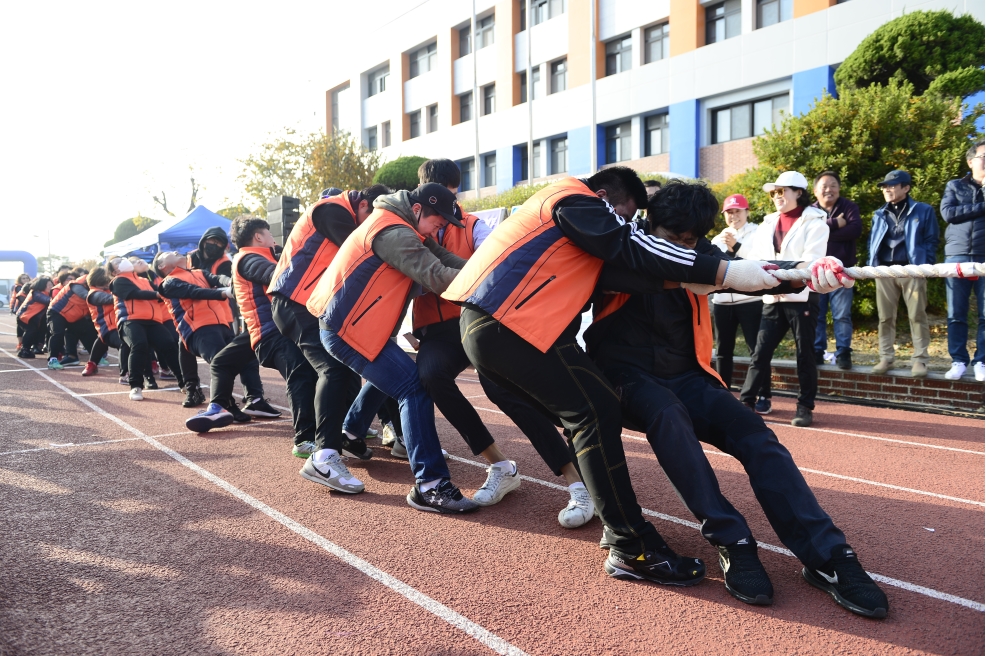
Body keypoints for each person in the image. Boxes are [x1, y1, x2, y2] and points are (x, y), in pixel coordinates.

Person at [443, 166, 781, 584]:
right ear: (604, 197)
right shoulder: (573, 200)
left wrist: (766, 274)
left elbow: (629, 272)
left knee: (590, 413)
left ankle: (620, 530)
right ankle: (630, 545)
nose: (627, 223)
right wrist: (723, 272)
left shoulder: (562, 222)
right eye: (625, 213)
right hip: (511, 325)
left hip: (496, 327)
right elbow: (629, 245)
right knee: (596, 410)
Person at [584, 179, 888, 618]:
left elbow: (749, 272)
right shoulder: (623, 247)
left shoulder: (702, 253)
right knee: (668, 417)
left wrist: (808, 273)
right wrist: (696, 272)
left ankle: (830, 558)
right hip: (626, 376)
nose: (685, 249)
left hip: (689, 376)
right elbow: (652, 272)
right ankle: (733, 540)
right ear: (652, 224)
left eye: (692, 241)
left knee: (756, 435)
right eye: (675, 240)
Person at [372, 158, 589, 523]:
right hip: (436, 330)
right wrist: (411, 325)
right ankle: (501, 466)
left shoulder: (474, 226)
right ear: (419, 203)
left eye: (452, 198)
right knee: (429, 377)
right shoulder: (405, 231)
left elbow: (495, 269)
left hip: (476, 320)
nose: (446, 215)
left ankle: (578, 483)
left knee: (503, 392)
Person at [306, 183, 479, 513]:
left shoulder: (401, 225)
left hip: (356, 326)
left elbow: (446, 258)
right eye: (438, 222)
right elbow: (438, 276)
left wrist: (487, 269)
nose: (440, 229)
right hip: (347, 328)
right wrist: (490, 282)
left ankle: (351, 431)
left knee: (392, 376)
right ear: (417, 210)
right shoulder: (392, 232)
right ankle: (429, 485)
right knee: (413, 386)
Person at [267, 184, 392, 464]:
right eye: (371, 220)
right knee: (332, 369)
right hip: (296, 302)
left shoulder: (340, 211)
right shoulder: (330, 209)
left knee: (345, 367)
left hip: (309, 303)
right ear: (363, 207)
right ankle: (325, 453)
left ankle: (345, 433)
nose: (372, 227)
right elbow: (362, 250)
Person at [188, 215, 319, 448]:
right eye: (269, 234)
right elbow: (277, 276)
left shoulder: (258, 256)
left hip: (264, 328)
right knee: (302, 374)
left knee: (221, 363)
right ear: (259, 236)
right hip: (271, 331)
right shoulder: (250, 259)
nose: (273, 239)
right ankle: (306, 439)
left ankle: (224, 406)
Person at [738, 171, 829, 428]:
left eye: (782, 191)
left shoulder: (816, 221)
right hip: (772, 298)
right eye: (774, 193)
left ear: (798, 192)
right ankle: (746, 402)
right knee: (760, 353)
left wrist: (774, 275)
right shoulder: (767, 223)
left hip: (801, 298)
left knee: (805, 355)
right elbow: (756, 258)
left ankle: (805, 406)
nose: (777, 196)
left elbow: (811, 261)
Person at [154, 251, 276, 420]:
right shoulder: (168, 283)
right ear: (162, 266)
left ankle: (255, 400)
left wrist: (232, 282)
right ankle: (226, 405)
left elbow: (218, 278)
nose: (175, 251)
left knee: (248, 360)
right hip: (199, 329)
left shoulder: (199, 272)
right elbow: (195, 292)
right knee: (223, 363)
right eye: (167, 253)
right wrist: (225, 292)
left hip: (222, 326)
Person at [867, 170, 939, 378]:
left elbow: (932, 240)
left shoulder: (923, 210)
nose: (886, 189)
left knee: (917, 315)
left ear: (906, 188)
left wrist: (925, 265)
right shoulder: (878, 213)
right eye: (884, 186)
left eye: (892, 185)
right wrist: (873, 266)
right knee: (885, 317)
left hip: (912, 269)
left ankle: (920, 360)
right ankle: (886, 357)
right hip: (885, 271)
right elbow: (873, 241)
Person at [710, 194, 771, 411]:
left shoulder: (758, 233)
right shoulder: (717, 238)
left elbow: (760, 262)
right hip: (723, 301)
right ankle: (724, 393)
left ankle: (764, 395)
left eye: (738, 211)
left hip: (750, 300)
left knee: (757, 349)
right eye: (729, 212)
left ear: (747, 212)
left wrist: (737, 246)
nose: (733, 216)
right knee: (723, 351)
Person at [109, 257, 184, 401]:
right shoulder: (118, 281)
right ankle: (136, 386)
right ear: (114, 271)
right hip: (130, 320)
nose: (123, 261)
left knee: (169, 345)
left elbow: (161, 294)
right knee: (139, 345)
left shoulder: (144, 281)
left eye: (122, 259)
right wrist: (159, 294)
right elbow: (135, 294)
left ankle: (185, 382)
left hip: (153, 320)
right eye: (117, 262)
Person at [940, 142, 985, 382]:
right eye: (984, 156)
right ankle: (958, 360)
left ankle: (982, 360)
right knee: (956, 313)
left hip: (985, 256)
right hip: (957, 255)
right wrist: (983, 206)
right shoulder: (955, 185)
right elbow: (949, 214)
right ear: (971, 161)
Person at [812, 171, 862, 370]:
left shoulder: (849, 207)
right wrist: (834, 224)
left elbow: (855, 230)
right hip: (817, 270)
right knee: (817, 313)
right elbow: (808, 233)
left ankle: (843, 352)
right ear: (815, 191)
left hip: (843, 269)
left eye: (833, 185)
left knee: (842, 314)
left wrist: (824, 233)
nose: (828, 189)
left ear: (839, 188)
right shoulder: (810, 211)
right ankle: (817, 350)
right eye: (824, 186)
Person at [45, 272, 98, 370]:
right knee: (58, 333)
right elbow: (88, 296)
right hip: (57, 312)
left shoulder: (96, 287)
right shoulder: (76, 285)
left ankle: (92, 358)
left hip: (74, 315)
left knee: (87, 330)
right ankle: (52, 359)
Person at [83, 267, 126, 379]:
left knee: (101, 342)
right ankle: (125, 372)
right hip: (107, 327)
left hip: (117, 325)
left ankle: (92, 364)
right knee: (124, 343)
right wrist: (129, 292)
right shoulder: (94, 294)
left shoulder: (108, 289)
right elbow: (110, 299)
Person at [16, 277, 53, 358]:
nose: (51, 286)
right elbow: (47, 300)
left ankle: (29, 348)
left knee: (34, 331)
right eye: (49, 285)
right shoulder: (36, 293)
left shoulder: (44, 293)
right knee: (30, 331)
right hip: (24, 316)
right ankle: (24, 350)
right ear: (42, 285)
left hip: (31, 318)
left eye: (51, 284)